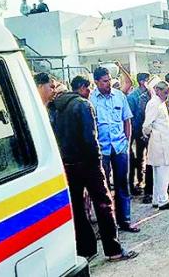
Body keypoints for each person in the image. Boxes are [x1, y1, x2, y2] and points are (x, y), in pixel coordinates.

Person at [53, 75, 137, 261]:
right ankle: (113, 250)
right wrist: (97, 161)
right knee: (104, 205)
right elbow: (90, 138)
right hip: (88, 163)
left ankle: (86, 250)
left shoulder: (56, 108)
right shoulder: (83, 105)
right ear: (82, 88)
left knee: (78, 208)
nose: (90, 91)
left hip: (68, 164)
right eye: (88, 88)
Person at [89, 67, 140, 233]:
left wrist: (126, 142)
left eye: (109, 80)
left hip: (119, 147)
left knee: (122, 185)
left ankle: (125, 221)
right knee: (102, 189)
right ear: (96, 82)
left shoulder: (119, 96)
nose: (108, 83)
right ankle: (106, 226)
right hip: (102, 150)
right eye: (104, 81)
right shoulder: (91, 100)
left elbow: (127, 121)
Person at [143, 81, 169, 210]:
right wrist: (151, 134)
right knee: (162, 172)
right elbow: (147, 125)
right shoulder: (154, 104)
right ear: (157, 90)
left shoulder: (160, 103)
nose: (167, 95)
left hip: (162, 141)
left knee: (159, 172)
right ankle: (163, 200)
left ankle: (157, 198)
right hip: (159, 142)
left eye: (168, 93)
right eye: (165, 92)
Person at [127, 73, 151, 196]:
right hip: (137, 131)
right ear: (142, 81)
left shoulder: (150, 94)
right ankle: (140, 180)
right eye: (148, 80)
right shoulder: (133, 97)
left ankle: (145, 181)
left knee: (148, 156)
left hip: (147, 130)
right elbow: (130, 117)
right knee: (138, 157)